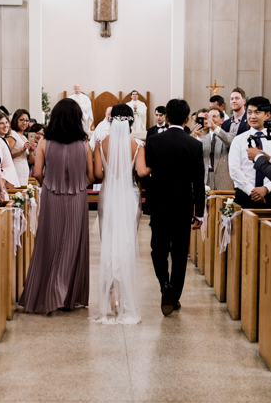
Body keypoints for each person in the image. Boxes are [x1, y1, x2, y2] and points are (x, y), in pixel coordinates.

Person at [20, 98, 93, 314]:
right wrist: (77, 185)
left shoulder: (44, 143)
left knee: (49, 242)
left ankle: (49, 292)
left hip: (52, 196)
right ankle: (67, 296)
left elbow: (38, 172)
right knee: (73, 243)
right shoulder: (84, 144)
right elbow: (90, 176)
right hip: (77, 198)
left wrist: (51, 185)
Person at [144, 98, 205, 316]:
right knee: (180, 253)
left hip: (159, 203)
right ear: (188, 119)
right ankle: (175, 297)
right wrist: (200, 213)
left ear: (166, 117)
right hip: (183, 204)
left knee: (158, 249)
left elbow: (145, 172)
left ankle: (164, 286)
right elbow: (198, 181)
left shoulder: (153, 141)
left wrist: (153, 190)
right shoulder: (194, 145)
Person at [92, 104, 148, 324]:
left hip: (108, 194)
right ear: (131, 121)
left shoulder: (100, 143)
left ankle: (111, 297)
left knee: (109, 244)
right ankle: (125, 298)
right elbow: (142, 172)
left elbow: (97, 173)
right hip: (128, 196)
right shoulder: (137, 145)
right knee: (127, 244)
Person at [228, 97, 271, 209]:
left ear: (267, 115)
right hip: (244, 194)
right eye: (249, 112)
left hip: (270, 195)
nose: (252, 116)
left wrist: (265, 189)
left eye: (257, 112)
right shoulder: (239, 140)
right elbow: (234, 170)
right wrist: (252, 191)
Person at [202, 107, 233, 191]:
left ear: (222, 120)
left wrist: (214, 127)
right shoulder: (202, 138)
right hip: (206, 180)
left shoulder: (229, 135)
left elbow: (229, 142)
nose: (211, 119)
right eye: (209, 117)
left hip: (223, 180)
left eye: (214, 116)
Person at [7, 108, 34, 186]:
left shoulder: (24, 137)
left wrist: (31, 151)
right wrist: (22, 149)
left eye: (27, 120)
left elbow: (30, 160)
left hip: (24, 169)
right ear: (16, 120)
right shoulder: (13, 134)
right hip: (16, 168)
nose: (24, 123)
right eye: (21, 120)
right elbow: (7, 155)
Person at [0, 109, 18, 188]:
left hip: (5, 179)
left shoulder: (5, 141)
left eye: (6, 122)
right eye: (1, 123)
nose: (5, 125)